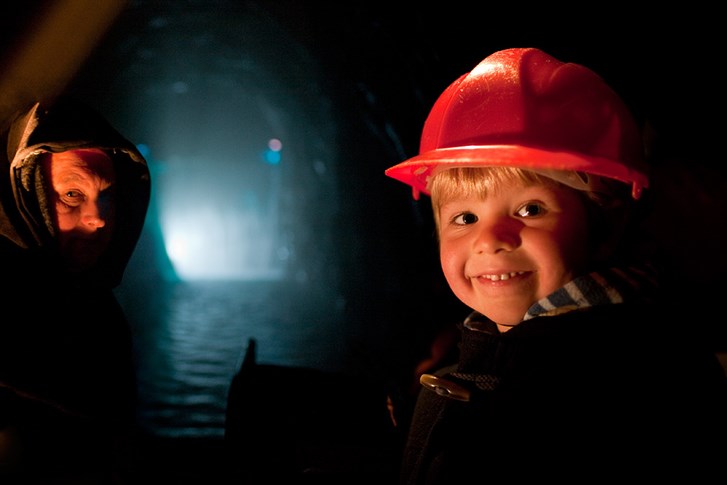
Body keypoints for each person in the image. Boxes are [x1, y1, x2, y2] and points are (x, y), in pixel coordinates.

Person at [385, 47, 727, 482]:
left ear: (604, 227)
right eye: (465, 218)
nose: (489, 239)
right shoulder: (479, 360)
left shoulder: (634, 384)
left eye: (530, 209)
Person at [0, 97, 151, 483]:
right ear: (29, 196)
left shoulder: (98, 309)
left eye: (108, 195)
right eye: (72, 194)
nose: (98, 219)